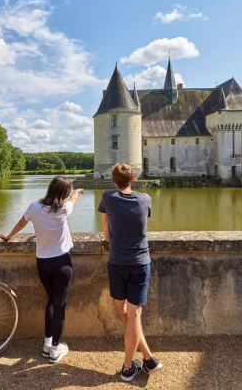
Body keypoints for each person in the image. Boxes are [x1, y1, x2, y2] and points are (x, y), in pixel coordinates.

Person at [0, 176, 84, 364]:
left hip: (43, 263)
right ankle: (55, 350)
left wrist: (9, 236)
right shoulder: (63, 208)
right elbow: (72, 201)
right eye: (68, 191)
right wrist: (77, 192)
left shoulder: (34, 207)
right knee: (59, 305)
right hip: (62, 263)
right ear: (64, 193)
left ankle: (47, 345)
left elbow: (22, 223)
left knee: (51, 303)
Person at [98, 163, 162, 382]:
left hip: (117, 262)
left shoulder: (107, 197)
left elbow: (106, 233)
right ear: (133, 178)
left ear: (113, 180)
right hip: (140, 262)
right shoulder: (145, 199)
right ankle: (148, 358)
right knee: (134, 315)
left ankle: (128, 368)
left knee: (123, 310)